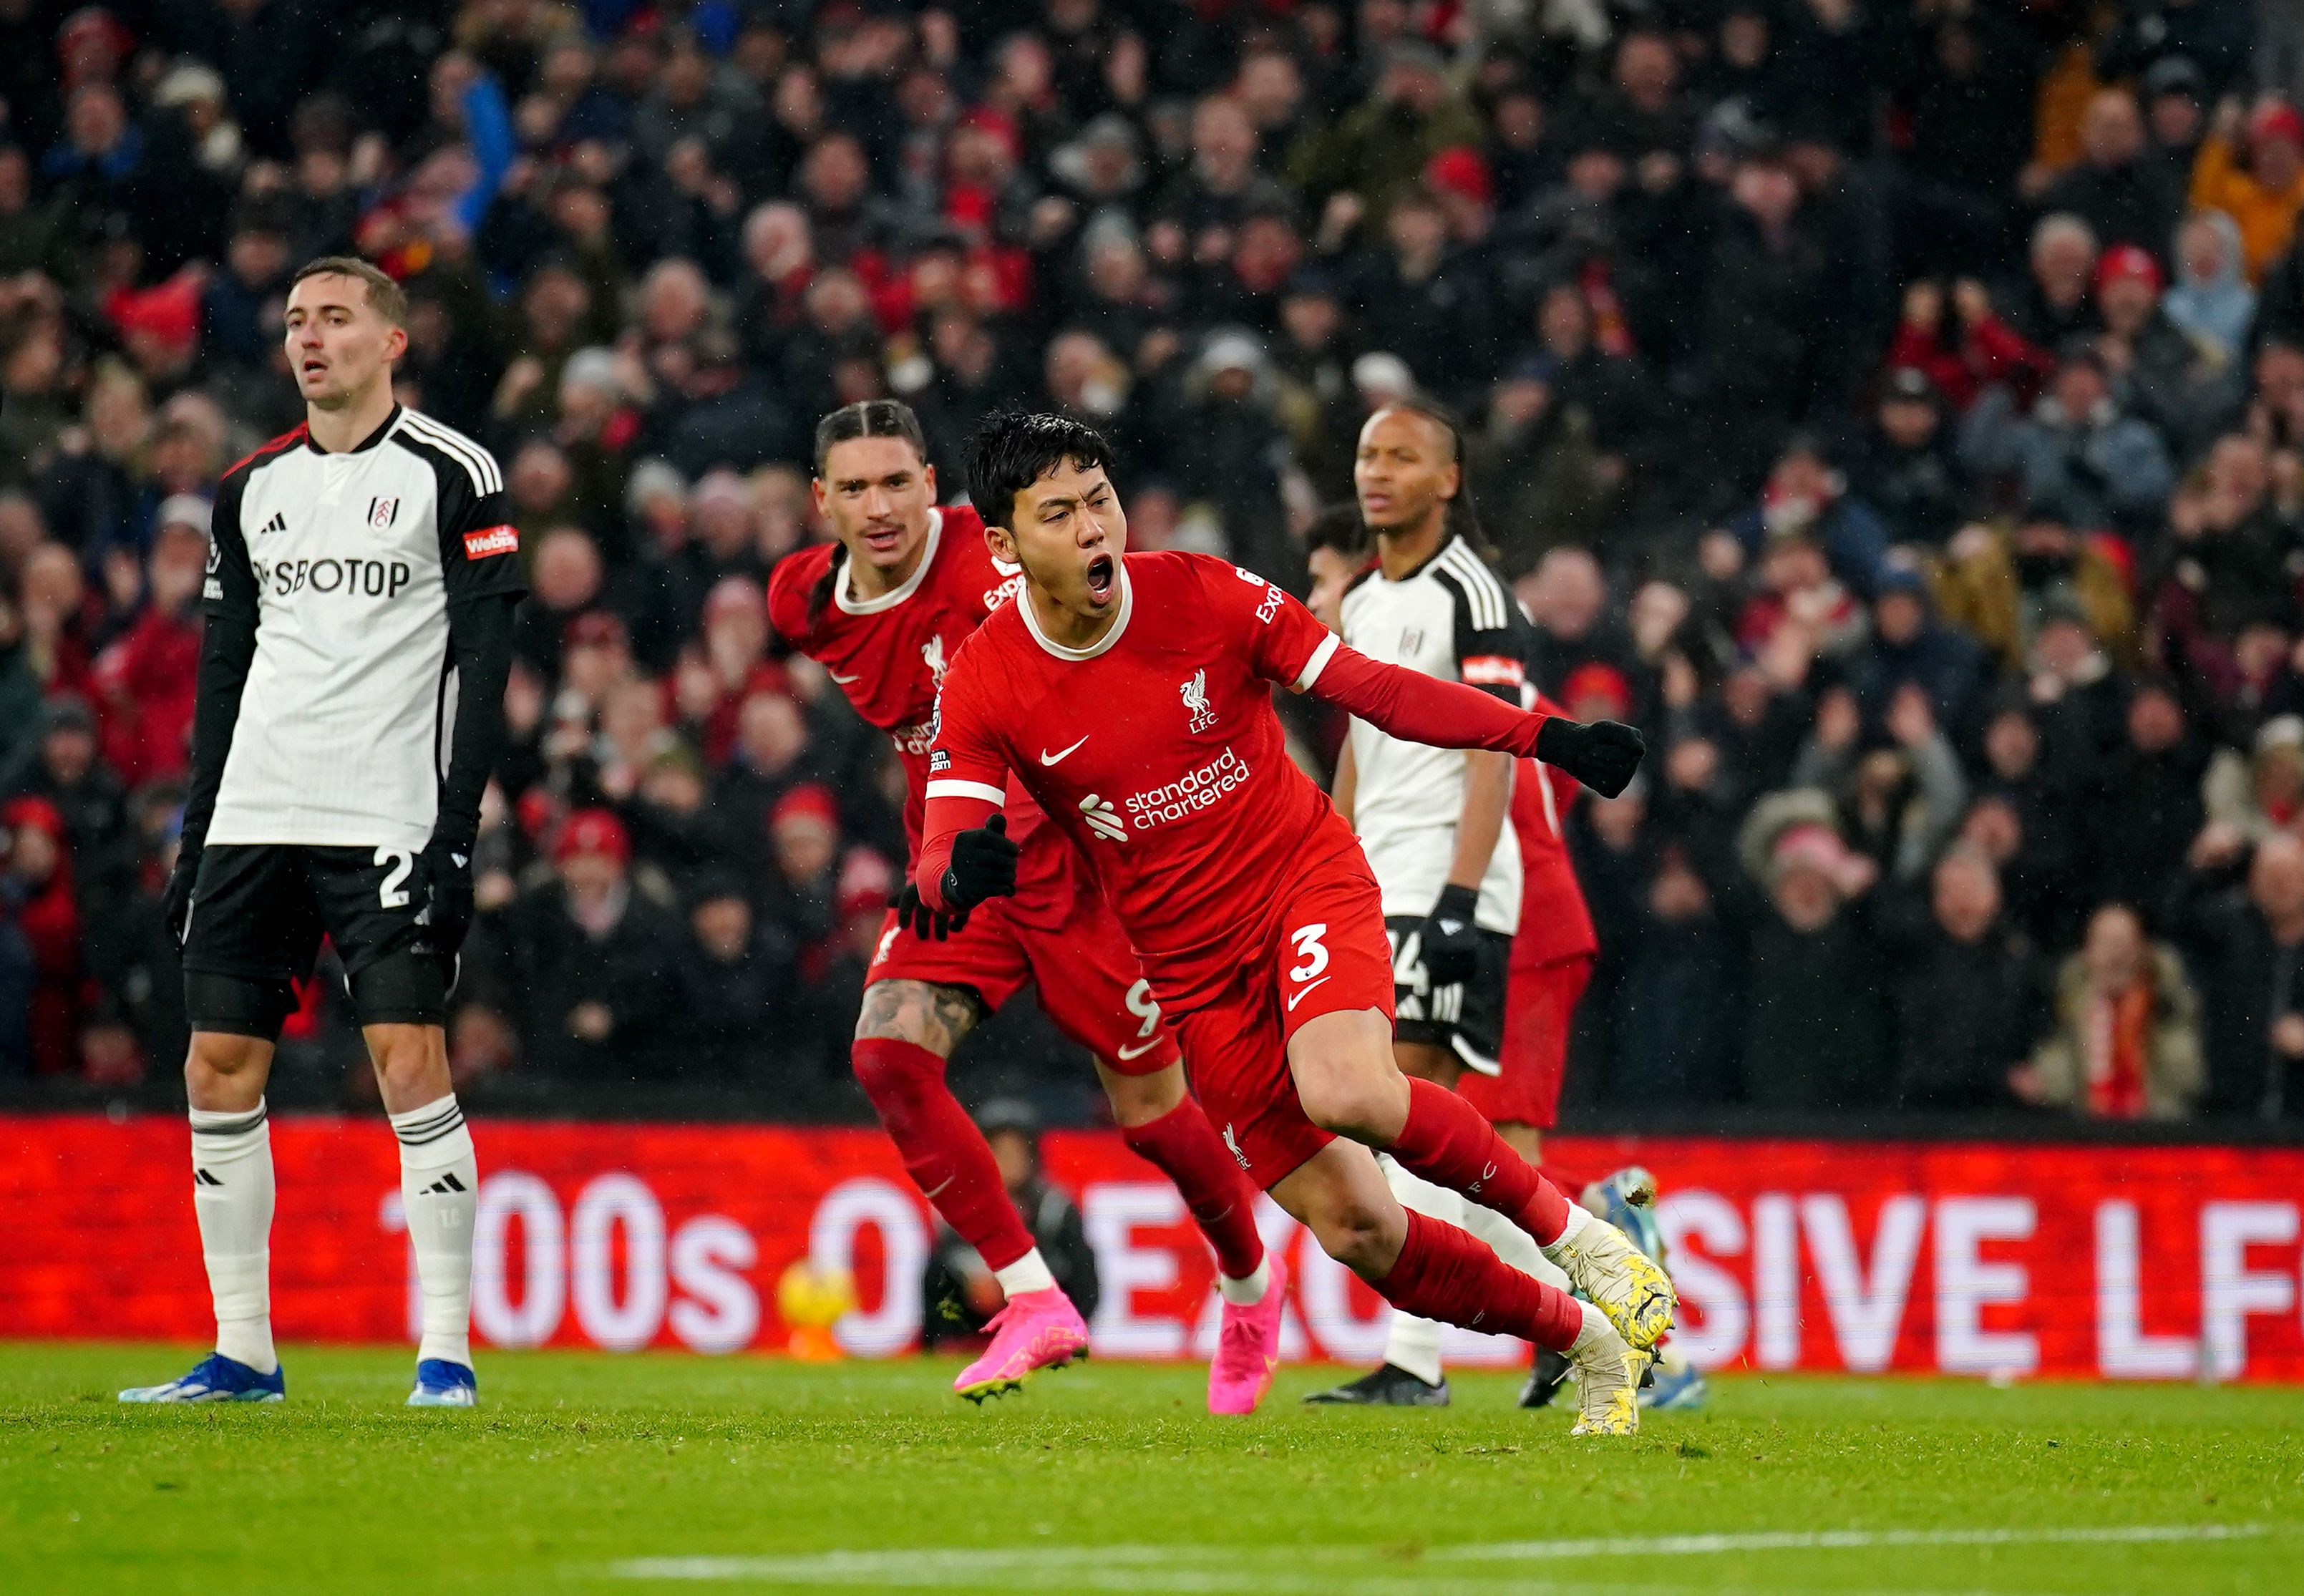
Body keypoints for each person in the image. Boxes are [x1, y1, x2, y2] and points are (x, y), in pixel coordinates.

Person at [920, 412, 1668, 1436]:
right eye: (1059, 513)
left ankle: (1582, 1240)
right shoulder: (986, 675)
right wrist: (959, 870)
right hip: (1189, 970)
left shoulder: (1202, 592)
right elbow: (946, 831)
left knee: (1350, 1085)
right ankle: (1585, 1337)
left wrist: (1545, 737)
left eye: (1100, 500)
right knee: (1359, 1228)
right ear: (1004, 547)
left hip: (1298, 881)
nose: (1095, 528)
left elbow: (1378, 693)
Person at [766, 400, 1283, 1412]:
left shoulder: (990, 575)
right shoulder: (801, 601)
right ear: (820, 500)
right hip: (960, 864)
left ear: (932, 485)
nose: (881, 507)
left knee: (1152, 1115)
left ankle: (1247, 1284)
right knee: (886, 1053)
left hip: (1085, 864)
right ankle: (1031, 1297)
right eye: (856, 488)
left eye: (899, 483)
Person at [120, 258, 523, 1408]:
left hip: (386, 808)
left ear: (390, 342)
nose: (310, 338)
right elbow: (222, 669)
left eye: (336, 318)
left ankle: (443, 1352)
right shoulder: (248, 489)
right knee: (217, 1064)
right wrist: (198, 833)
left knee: (408, 1060)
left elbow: (486, 663)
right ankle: (243, 1350)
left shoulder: (456, 472)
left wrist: (457, 829)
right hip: (257, 807)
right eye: (297, 321)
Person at [1301, 401, 1576, 1407]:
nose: (1376, 471)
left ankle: (1420, 1359)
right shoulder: (1366, 600)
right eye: (1367, 452)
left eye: (1400, 456)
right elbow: (1357, 752)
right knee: (1416, 1121)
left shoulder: (1473, 592)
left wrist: (1461, 898)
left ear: (1445, 480)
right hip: (1376, 874)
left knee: (1401, 1108)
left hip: (1442, 878)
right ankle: (1578, 1302)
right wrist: (1320, 863)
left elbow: (1494, 744)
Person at [921, 1099, 1099, 1351]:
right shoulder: (956, 1204)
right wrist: (971, 1277)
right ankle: (950, 1345)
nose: (1009, 1163)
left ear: (1033, 1158)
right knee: (938, 1273)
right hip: (974, 1320)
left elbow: (1083, 1281)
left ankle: (1058, 1341)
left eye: (1017, 1153)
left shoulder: (1054, 1208)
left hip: (1038, 1321)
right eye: (999, 1152)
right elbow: (943, 1267)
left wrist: (1015, 1284)